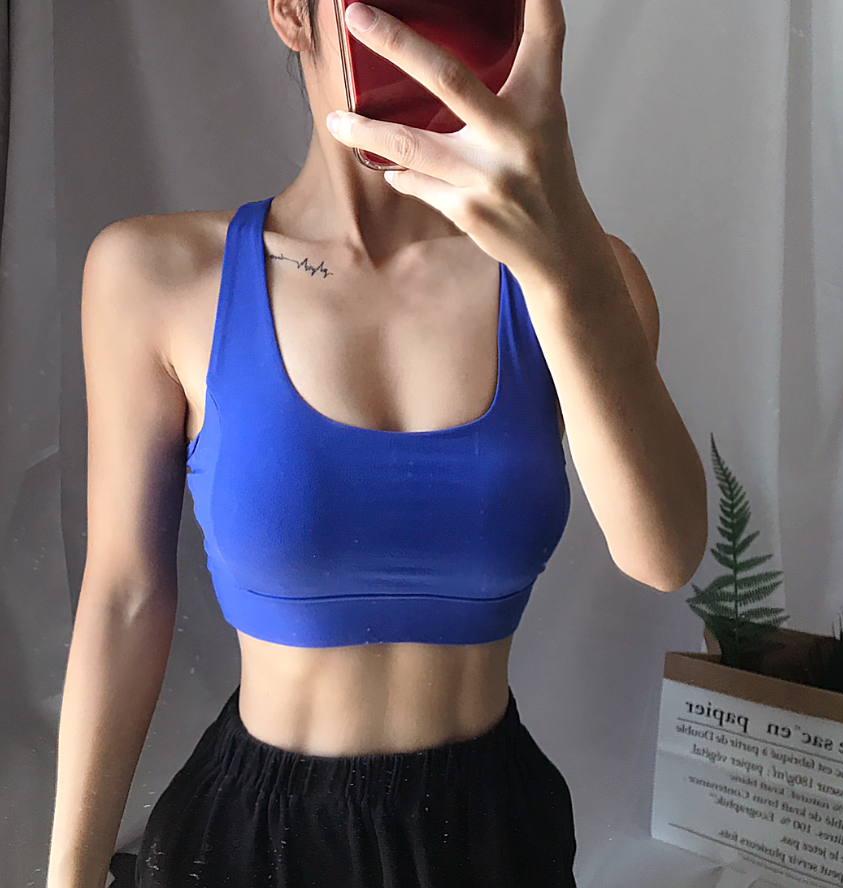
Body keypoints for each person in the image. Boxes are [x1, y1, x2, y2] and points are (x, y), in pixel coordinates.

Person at [47, 0, 708, 885]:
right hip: (251, 842)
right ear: (292, 13)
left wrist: (564, 259)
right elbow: (125, 599)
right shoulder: (157, 276)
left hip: (491, 834)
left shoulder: (582, 279)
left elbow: (663, 556)